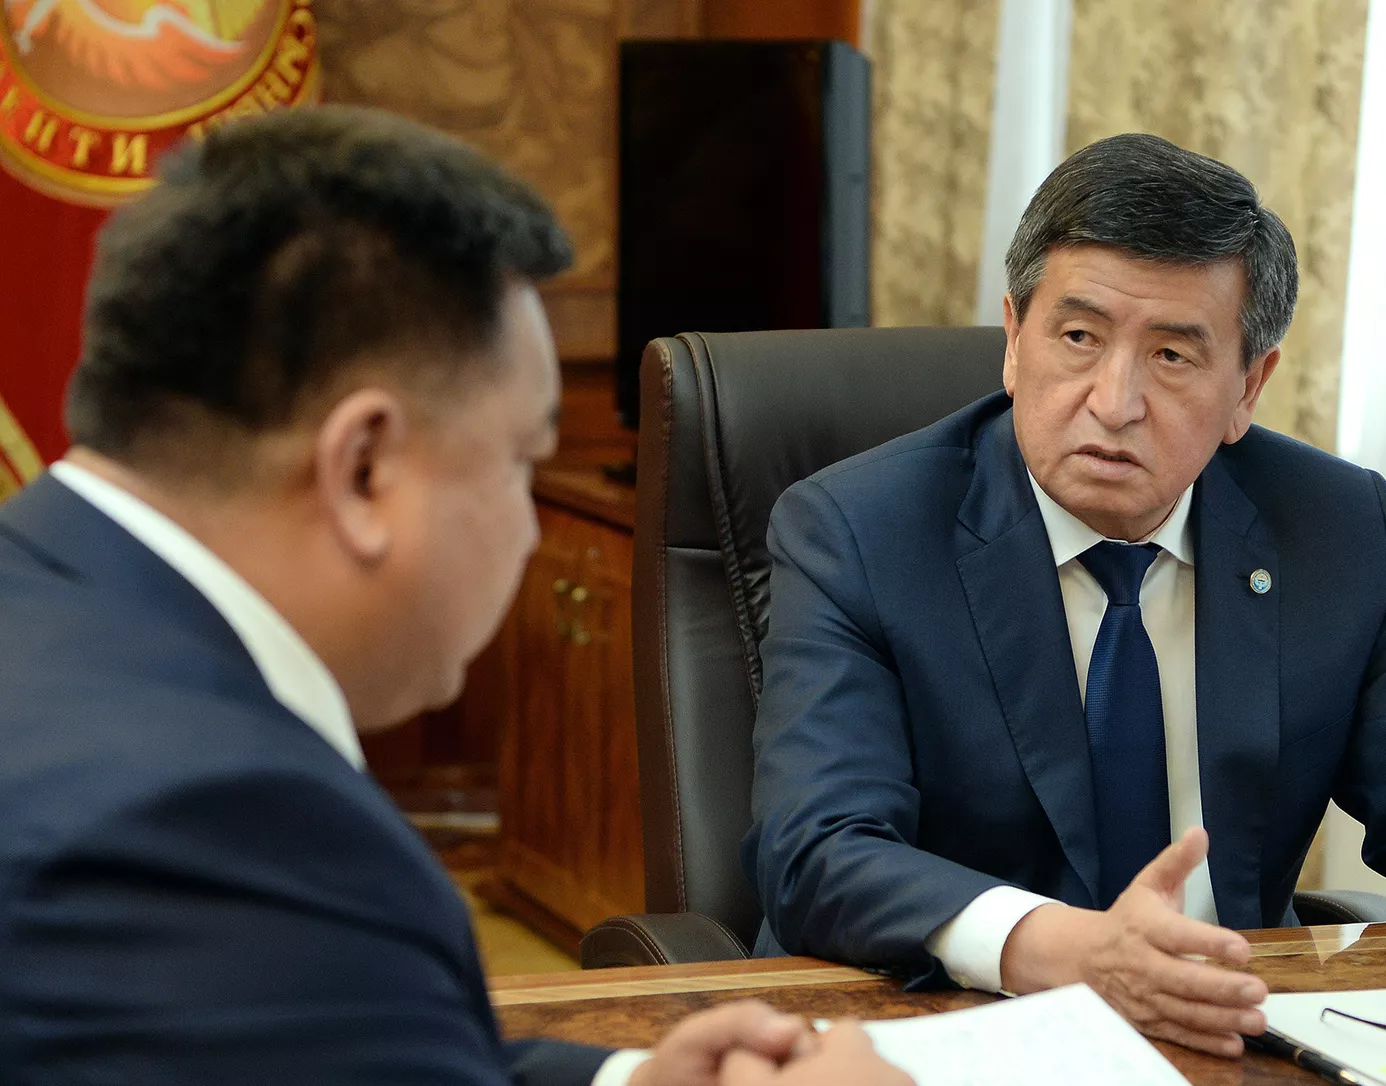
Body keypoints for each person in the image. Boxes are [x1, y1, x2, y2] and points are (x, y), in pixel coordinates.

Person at [0, 106, 908, 1086]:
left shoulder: (46, 598)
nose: (527, 531)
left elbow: (343, 1048)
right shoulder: (218, 822)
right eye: (520, 462)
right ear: (365, 468)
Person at [744, 133, 1386, 1058]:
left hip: (1226, 1037)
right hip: (942, 1034)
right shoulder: (862, 530)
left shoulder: (1333, 526)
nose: (1114, 401)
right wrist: (1063, 950)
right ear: (1015, 341)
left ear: (1248, 387)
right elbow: (821, 847)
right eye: (1079, 338)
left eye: (1171, 356)